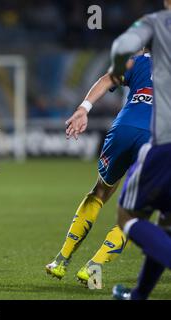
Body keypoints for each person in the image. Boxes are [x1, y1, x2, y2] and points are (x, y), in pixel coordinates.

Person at [45, 49, 153, 288]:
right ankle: (93, 266)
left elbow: (106, 79)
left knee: (100, 192)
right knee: (136, 212)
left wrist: (83, 109)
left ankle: (60, 260)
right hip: (155, 138)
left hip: (123, 129)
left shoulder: (141, 59)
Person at [108, 0, 171, 300]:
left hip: (165, 144)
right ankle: (138, 296)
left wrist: (120, 70)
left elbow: (122, 45)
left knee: (128, 216)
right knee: (167, 224)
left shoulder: (157, 22)